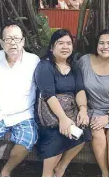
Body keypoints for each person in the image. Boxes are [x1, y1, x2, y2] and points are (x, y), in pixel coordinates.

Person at [0, 22, 40, 177]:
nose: (13, 43)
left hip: (23, 114)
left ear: (23, 41)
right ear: (1, 43)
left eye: (17, 39)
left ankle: (6, 171)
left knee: (28, 139)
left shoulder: (34, 61)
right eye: (9, 39)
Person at [34, 29, 91, 177]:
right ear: (52, 47)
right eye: (61, 43)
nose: (65, 47)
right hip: (49, 116)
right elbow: (49, 95)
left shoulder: (75, 66)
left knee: (83, 131)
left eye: (68, 43)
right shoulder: (44, 67)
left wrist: (83, 110)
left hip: (70, 112)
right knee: (57, 136)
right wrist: (63, 119)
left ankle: (61, 168)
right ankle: (46, 174)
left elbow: (80, 90)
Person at [78, 29, 109, 177]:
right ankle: (105, 173)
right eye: (101, 43)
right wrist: (83, 109)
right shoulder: (85, 61)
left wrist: (108, 116)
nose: (105, 47)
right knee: (97, 133)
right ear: (96, 45)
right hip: (92, 109)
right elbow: (76, 85)